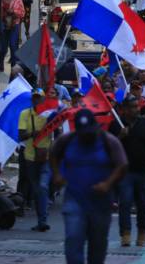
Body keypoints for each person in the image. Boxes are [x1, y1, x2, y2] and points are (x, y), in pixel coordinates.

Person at [51, 109, 128, 264]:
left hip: (100, 201)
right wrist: (57, 174)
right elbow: (53, 153)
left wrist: (108, 183)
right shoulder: (67, 140)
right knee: (73, 238)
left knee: (98, 243)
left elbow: (122, 165)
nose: (86, 136)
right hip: (74, 198)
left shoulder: (108, 141)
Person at [110, 95, 145, 247]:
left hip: (143, 170)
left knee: (143, 204)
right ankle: (125, 233)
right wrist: (120, 136)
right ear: (124, 109)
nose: (136, 109)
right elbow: (110, 147)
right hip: (125, 171)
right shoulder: (116, 124)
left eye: (137, 106)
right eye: (132, 107)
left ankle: (142, 232)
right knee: (125, 202)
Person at [18, 89, 52, 232]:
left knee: (43, 187)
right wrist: (34, 133)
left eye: (39, 98)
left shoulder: (50, 115)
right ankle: (41, 220)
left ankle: (43, 220)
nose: (37, 100)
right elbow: (21, 135)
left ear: (44, 100)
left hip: (46, 157)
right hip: (30, 157)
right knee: (37, 190)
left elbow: (59, 131)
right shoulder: (25, 114)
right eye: (35, 98)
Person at [0, 0, 25, 66]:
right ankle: (0, 66)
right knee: (2, 48)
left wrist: (13, 12)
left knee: (13, 45)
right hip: (3, 25)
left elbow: (22, 13)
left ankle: (14, 66)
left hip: (14, 25)